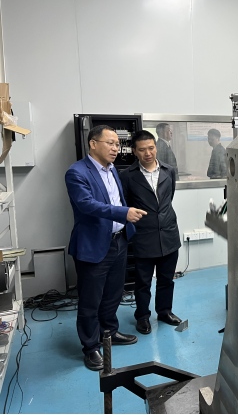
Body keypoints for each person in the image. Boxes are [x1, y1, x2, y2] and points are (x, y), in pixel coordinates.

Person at [65, 125, 147, 371]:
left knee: (113, 293)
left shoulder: (112, 170)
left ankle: (109, 332)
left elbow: (116, 198)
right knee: (90, 300)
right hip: (93, 245)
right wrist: (124, 213)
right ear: (93, 144)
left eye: (118, 144)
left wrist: (124, 223)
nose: (116, 149)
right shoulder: (77, 172)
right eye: (110, 143)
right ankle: (91, 347)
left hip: (118, 241)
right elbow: (87, 204)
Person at [120, 130, 182, 335]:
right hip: (143, 236)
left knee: (166, 279)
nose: (148, 153)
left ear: (156, 147)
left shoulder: (169, 170)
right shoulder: (127, 176)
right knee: (143, 282)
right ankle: (142, 316)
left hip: (169, 234)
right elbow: (126, 205)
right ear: (134, 151)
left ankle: (164, 312)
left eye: (151, 148)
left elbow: (168, 199)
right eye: (142, 150)